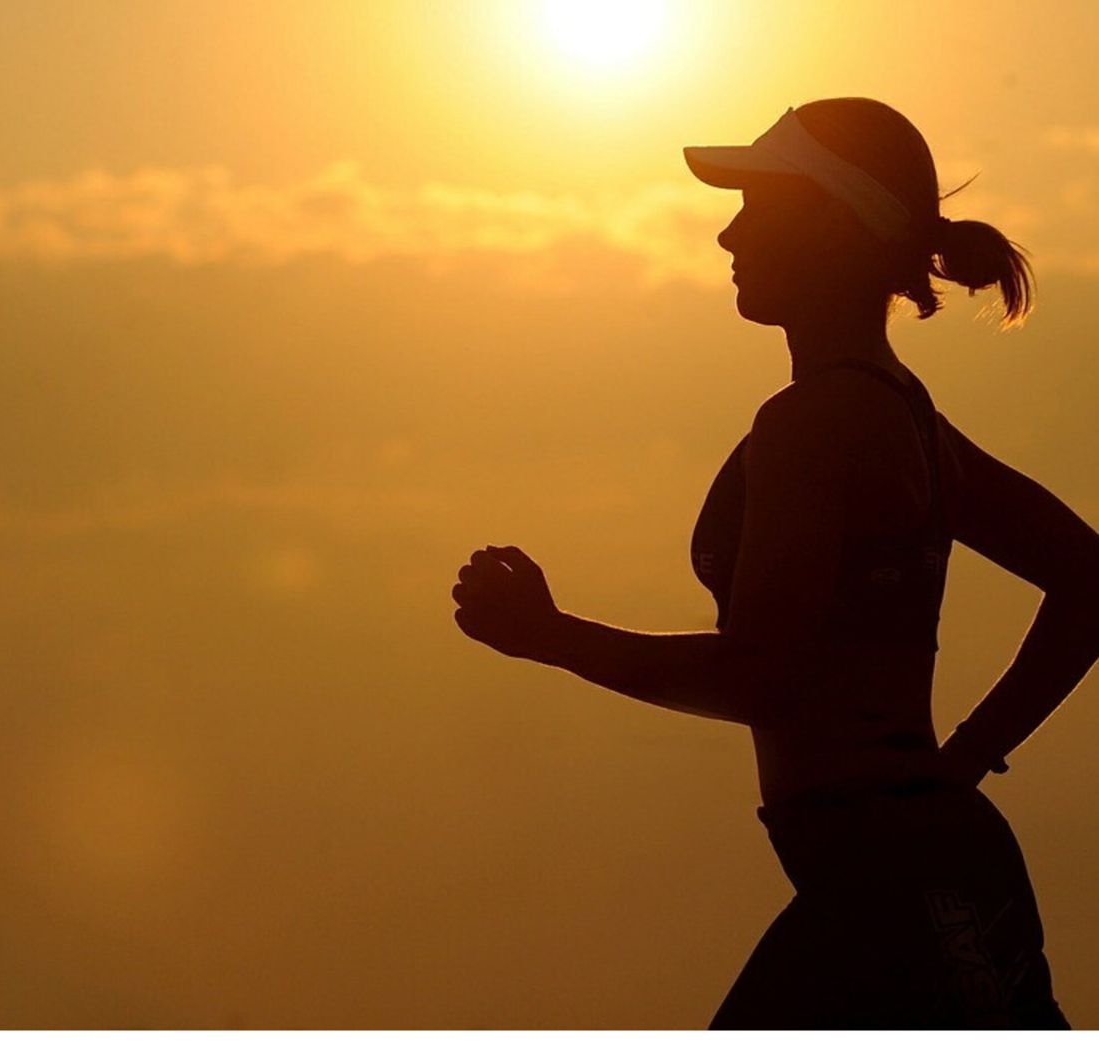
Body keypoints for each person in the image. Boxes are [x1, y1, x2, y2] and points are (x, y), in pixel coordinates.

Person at [449, 97, 1099, 1028]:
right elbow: (1090, 578)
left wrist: (555, 639)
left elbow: (765, 674)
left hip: (904, 895)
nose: (726, 232)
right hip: (900, 877)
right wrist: (962, 761)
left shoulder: (815, 423)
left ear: (835, 222)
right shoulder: (903, 416)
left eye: (757, 205)